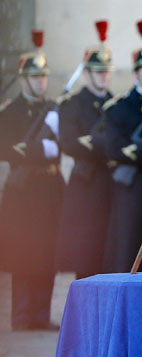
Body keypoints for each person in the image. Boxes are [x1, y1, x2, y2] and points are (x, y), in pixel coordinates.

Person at [0, 30, 63, 330]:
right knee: (23, 251)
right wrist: (40, 150)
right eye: (35, 77)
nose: (40, 82)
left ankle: (40, 314)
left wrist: (40, 151)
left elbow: (63, 147)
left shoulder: (53, 109)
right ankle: (22, 315)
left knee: (47, 252)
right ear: (23, 79)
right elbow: (9, 149)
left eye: (43, 77)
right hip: (23, 194)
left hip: (49, 189)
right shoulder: (10, 113)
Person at [94, 19, 142, 273]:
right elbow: (113, 149)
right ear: (136, 73)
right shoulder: (121, 107)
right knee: (128, 253)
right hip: (133, 191)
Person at [55, 20, 115, 279]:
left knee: (108, 254)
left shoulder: (115, 102)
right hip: (87, 185)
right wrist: (99, 146)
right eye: (97, 70)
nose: (103, 75)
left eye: (106, 70)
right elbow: (68, 142)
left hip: (111, 184)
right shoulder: (75, 104)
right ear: (87, 73)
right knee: (86, 255)